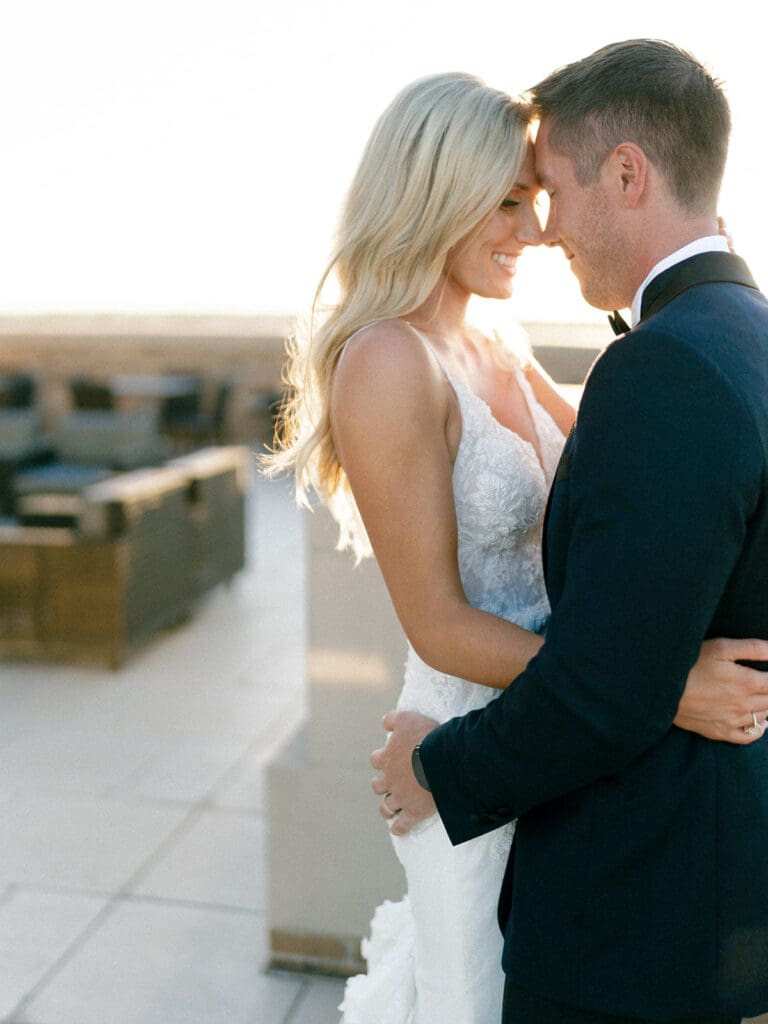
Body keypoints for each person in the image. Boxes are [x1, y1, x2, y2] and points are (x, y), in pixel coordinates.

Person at [265, 71, 768, 1024]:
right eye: (503, 202)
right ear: (433, 196)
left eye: (536, 199)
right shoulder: (385, 360)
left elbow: (638, 479)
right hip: (475, 727)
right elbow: (441, 626)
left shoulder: (500, 337)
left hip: (561, 735)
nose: (535, 230)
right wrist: (663, 690)